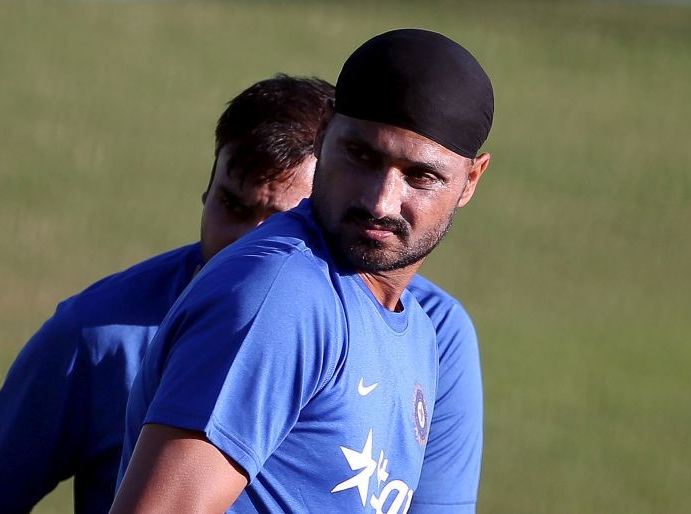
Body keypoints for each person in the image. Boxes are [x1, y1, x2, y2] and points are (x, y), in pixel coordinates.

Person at [112, 28, 493, 514]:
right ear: (325, 133)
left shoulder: (414, 327)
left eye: (420, 176)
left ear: (471, 180)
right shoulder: (280, 295)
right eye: (361, 156)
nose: (380, 201)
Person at [0, 74, 334, 514]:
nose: (247, 244)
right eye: (233, 206)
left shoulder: (398, 332)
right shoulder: (95, 337)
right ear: (207, 191)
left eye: (279, 221)